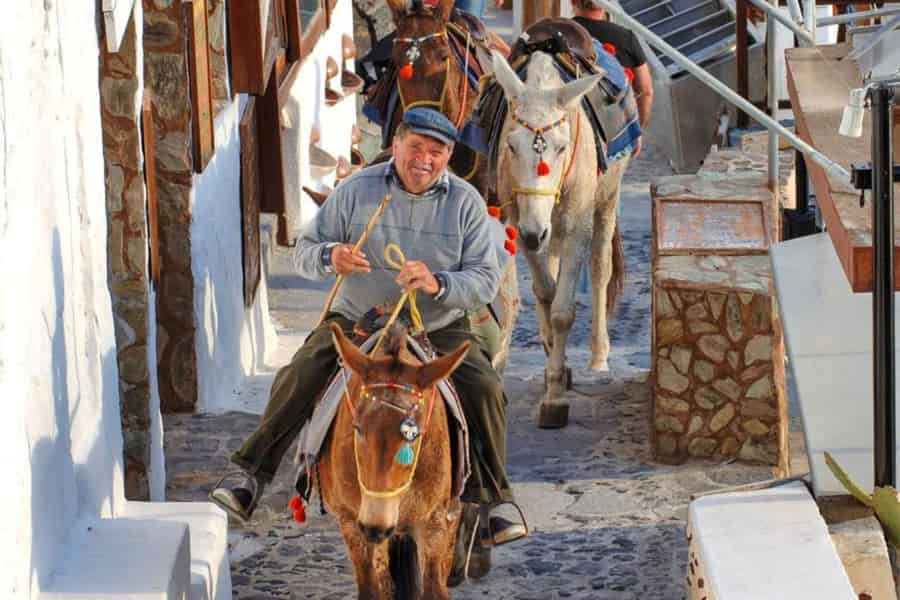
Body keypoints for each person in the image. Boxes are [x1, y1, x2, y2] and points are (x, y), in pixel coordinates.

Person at [209, 106, 526, 546]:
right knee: (300, 373)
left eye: (437, 151)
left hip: (437, 325)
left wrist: (438, 282)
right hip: (360, 317)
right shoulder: (357, 190)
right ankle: (250, 476)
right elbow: (306, 249)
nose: (425, 159)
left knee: (485, 387)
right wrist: (331, 255)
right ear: (394, 145)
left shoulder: (466, 203)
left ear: (448, 156)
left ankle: (493, 499)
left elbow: (485, 280)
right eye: (416, 146)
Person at [572, 0, 654, 134]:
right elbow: (646, 91)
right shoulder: (627, 37)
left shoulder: (558, 35)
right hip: (614, 132)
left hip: (573, 132)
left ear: (572, 2)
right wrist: (635, 133)